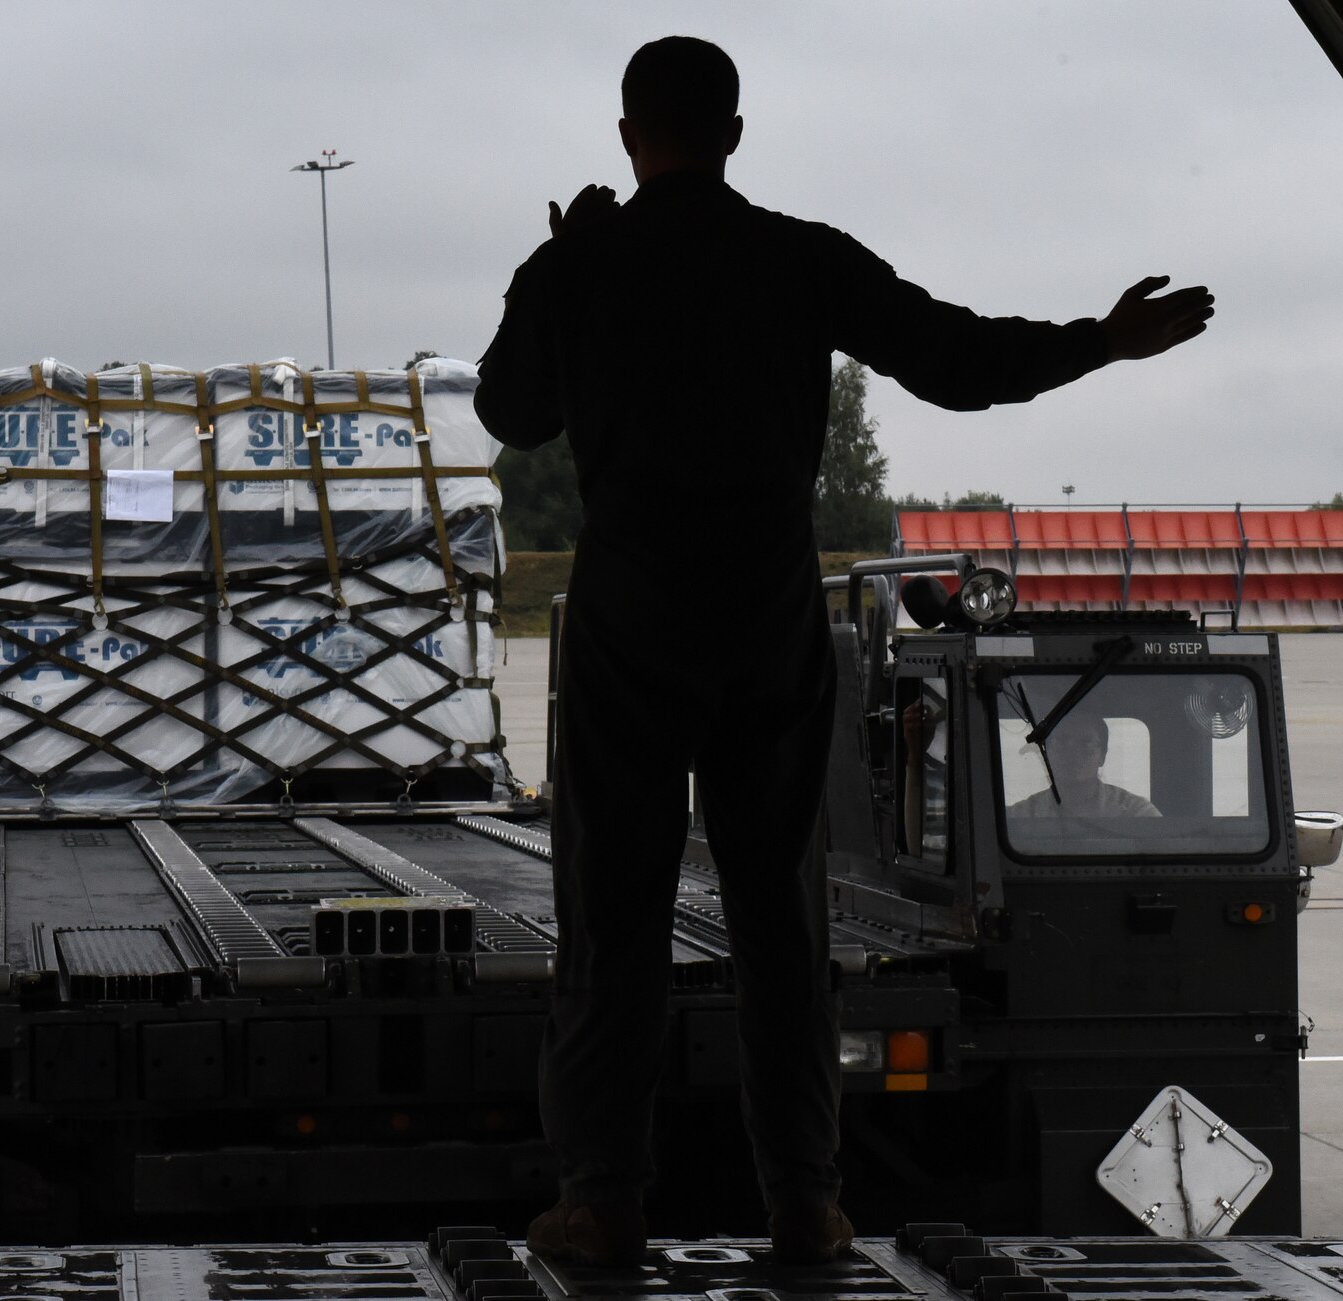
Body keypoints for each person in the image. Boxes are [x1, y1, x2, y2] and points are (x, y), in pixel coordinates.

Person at [472, 35, 1213, 1267]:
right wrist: (1100, 337)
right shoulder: (796, 257)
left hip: (629, 626)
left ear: (625, 137)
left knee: (613, 921)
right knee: (780, 923)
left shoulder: (587, 263)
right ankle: (803, 1199)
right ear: (736, 133)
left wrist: (552, 265)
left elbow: (511, 411)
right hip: (765, 621)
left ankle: (600, 1196)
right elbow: (959, 360)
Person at [1007, 713, 1161, 818]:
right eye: (1061, 743)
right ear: (1047, 754)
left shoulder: (1137, 813)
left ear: (1103, 756)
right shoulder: (1020, 815)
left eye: (1086, 744)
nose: (1072, 753)